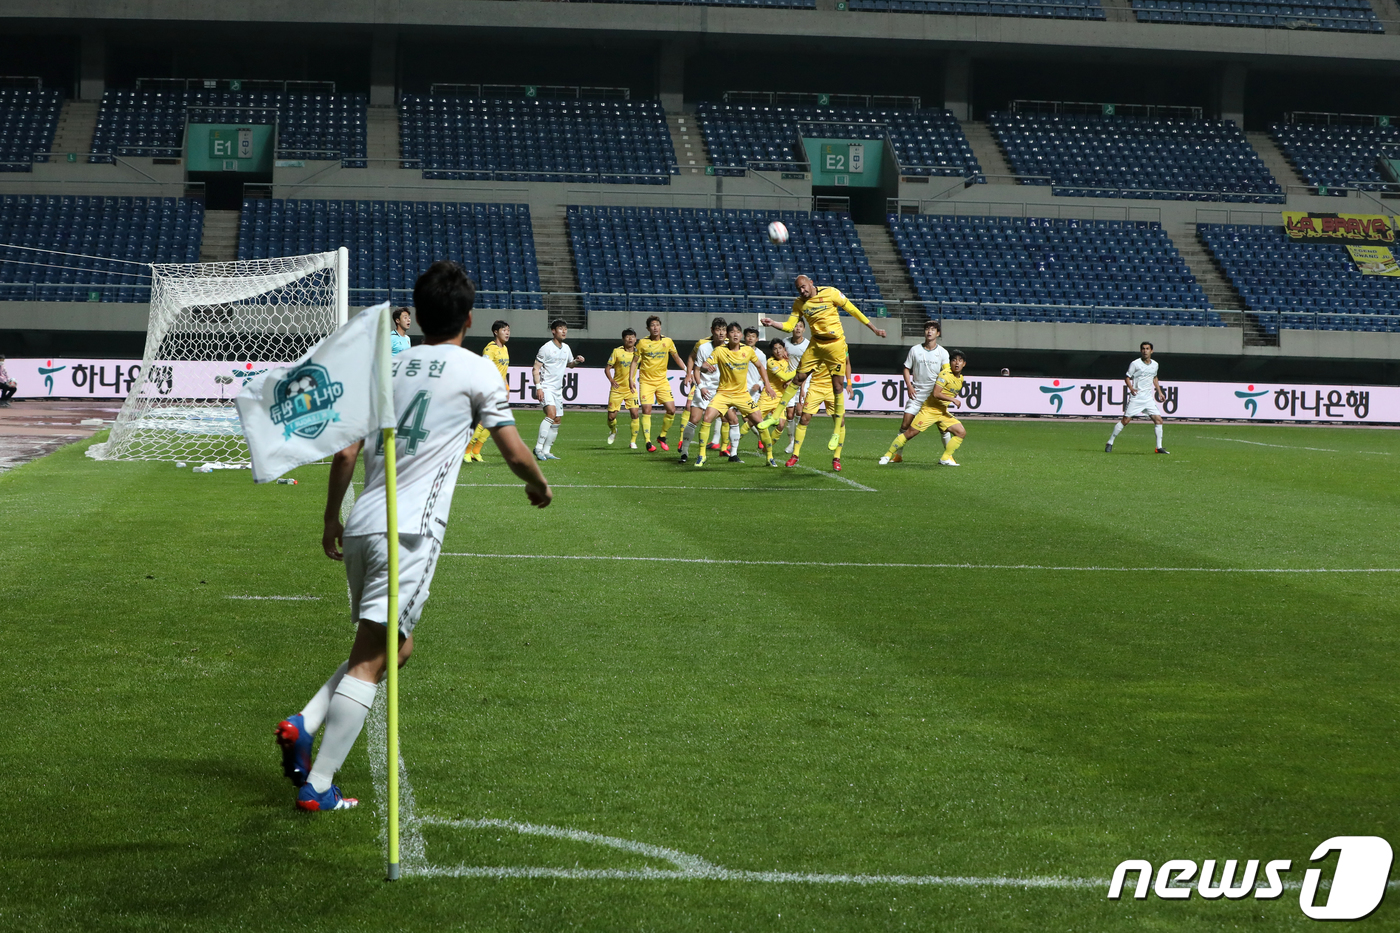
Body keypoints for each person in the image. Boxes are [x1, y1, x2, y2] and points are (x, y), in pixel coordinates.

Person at [274, 260, 552, 812]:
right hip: (410, 531)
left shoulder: (386, 369)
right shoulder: (477, 371)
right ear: (469, 318)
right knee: (374, 662)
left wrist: (331, 517)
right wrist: (540, 484)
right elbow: (515, 451)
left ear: (417, 315)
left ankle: (304, 722)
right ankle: (320, 785)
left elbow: (347, 450)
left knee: (391, 649)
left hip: (361, 524)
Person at [761, 275, 886, 454]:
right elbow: (790, 326)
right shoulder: (799, 303)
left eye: (804, 287)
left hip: (835, 344)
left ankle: (836, 432)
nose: (802, 291)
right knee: (798, 378)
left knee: (837, 385)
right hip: (816, 344)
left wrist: (874, 329)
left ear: (811, 282)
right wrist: (773, 323)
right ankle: (775, 416)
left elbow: (853, 310)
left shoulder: (831, 293)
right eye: (799, 289)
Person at [694, 322, 777, 467]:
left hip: (742, 395)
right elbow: (705, 366)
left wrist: (768, 386)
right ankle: (702, 455)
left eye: (738, 332)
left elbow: (760, 367)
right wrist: (705, 368)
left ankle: (769, 457)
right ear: (728, 335)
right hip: (723, 394)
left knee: (760, 423)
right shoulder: (719, 351)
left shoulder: (748, 351)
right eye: (732, 332)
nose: (736, 334)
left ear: (741, 335)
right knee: (707, 418)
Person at [880, 351, 969, 467]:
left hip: (942, 412)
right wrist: (953, 400)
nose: (957, 363)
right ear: (950, 363)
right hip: (930, 410)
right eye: (954, 360)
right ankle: (887, 455)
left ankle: (945, 459)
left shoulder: (960, 378)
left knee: (961, 432)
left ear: (964, 364)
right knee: (910, 433)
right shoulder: (945, 375)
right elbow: (936, 393)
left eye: (960, 360)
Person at [882, 321, 950, 464]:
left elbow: (946, 373)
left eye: (932, 329)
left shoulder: (943, 353)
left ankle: (948, 456)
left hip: (934, 397)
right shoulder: (915, 350)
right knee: (905, 424)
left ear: (938, 333)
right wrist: (909, 385)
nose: (929, 332)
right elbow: (906, 368)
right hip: (917, 394)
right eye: (927, 329)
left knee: (943, 427)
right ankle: (898, 456)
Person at [631, 315, 687, 452]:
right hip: (646, 382)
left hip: (662, 381)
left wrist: (687, 371)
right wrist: (630, 379)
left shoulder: (667, 341)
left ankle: (662, 436)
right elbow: (634, 361)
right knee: (646, 410)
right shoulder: (642, 343)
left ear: (660, 327)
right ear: (648, 328)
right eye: (652, 325)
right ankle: (648, 442)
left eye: (657, 325)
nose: (655, 327)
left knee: (672, 410)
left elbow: (676, 357)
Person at [676, 317, 728, 464]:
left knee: (730, 419)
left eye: (723, 330)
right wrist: (693, 374)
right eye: (718, 330)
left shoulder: (731, 346)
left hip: (721, 389)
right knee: (694, 419)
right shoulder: (703, 345)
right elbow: (695, 363)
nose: (721, 333)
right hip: (704, 386)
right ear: (712, 331)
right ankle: (685, 452)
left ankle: (728, 450)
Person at [787, 353, 851, 471]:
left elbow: (847, 363)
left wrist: (849, 383)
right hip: (816, 387)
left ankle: (837, 458)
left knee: (840, 421)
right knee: (804, 419)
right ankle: (795, 454)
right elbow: (807, 368)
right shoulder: (817, 344)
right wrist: (802, 388)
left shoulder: (842, 345)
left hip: (833, 389)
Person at [532, 319, 584, 461]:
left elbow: (570, 365)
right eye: (561, 328)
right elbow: (535, 369)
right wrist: (539, 388)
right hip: (546, 387)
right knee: (551, 414)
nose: (564, 331)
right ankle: (538, 448)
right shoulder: (546, 348)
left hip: (557, 389)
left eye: (565, 329)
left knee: (557, 420)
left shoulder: (566, 348)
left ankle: (547, 451)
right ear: (553, 331)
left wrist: (577, 361)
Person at [1107, 342, 1169, 455]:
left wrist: (1159, 391)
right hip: (1136, 398)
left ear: (1152, 351)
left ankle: (1158, 447)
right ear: (1141, 351)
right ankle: (1110, 442)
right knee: (1125, 421)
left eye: (1147, 349)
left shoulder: (1155, 364)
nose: (1145, 351)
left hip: (1148, 399)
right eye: (1143, 349)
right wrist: (1131, 388)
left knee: (1159, 420)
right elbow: (1127, 377)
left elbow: (1154, 377)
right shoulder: (1135, 364)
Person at [463, 319, 509, 463]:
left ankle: (476, 451)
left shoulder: (505, 349)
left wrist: (507, 388)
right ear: (496, 332)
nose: (507, 333)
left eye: (508, 330)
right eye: (504, 330)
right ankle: (466, 451)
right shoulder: (490, 349)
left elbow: (504, 371)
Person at [605, 328, 641, 448]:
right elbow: (607, 368)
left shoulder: (638, 353)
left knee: (635, 414)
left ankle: (633, 442)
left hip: (631, 389)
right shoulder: (617, 351)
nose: (630, 339)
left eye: (632, 337)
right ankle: (614, 431)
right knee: (611, 417)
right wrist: (611, 380)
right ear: (623, 339)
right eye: (627, 336)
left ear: (636, 339)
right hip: (617, 389)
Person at [779, 320, 810, 453]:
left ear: (804, 329)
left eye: (800, 326)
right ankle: (791, 442)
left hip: (804, 381)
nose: (797, 328)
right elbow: (778, 358)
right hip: (789, 381)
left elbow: (808, 367)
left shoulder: (808, 345)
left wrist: (803, 388)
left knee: (799, 412)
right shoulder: (784, 342)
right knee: (789, 413)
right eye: (795, 326)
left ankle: (797, 441)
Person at [756, 339, 796, 441]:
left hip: (781, 397)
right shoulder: (771, 362)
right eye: (775, 349)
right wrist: (797, 371)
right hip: (768, 395)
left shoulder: (787, 360)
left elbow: (788, 377)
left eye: (780, 348)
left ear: (784, 349)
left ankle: (768, 447)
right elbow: (785, 377)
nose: (778, 351)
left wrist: (789, 381)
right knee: (754, 420)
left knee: (782, 424)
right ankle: (731, 445)